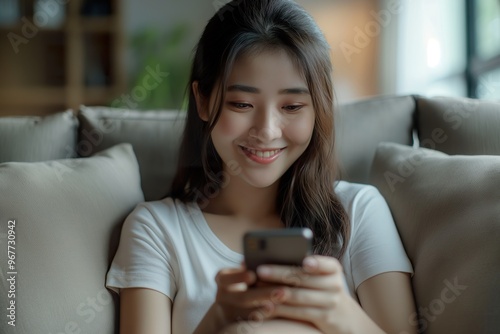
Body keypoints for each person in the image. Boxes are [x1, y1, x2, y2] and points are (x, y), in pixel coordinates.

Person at [106, 0, 417, 333]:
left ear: (319, 107)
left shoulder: (358, 212)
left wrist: (341, 313)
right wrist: (217, 321)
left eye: (293, 106)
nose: (267, 130)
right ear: (202, 101)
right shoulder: (157, 229)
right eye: (241, 103)